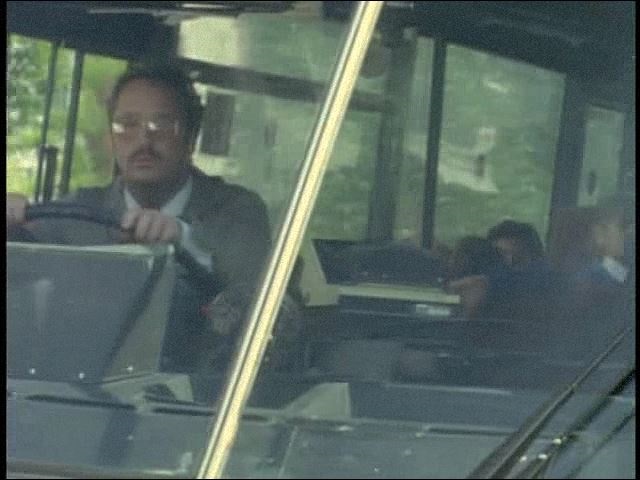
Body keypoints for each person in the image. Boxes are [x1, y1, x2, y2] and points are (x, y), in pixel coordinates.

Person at [7, 64, 273, 371]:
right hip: (78, 388)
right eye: (126, 125)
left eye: (162, 125)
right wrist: (12, 226)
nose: (143, 141)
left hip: (204, 391)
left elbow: (270, 315)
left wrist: (184, 239)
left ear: (191, 136)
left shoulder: (238, 213)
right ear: (111, 137)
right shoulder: (74, 215)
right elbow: (23, 277)